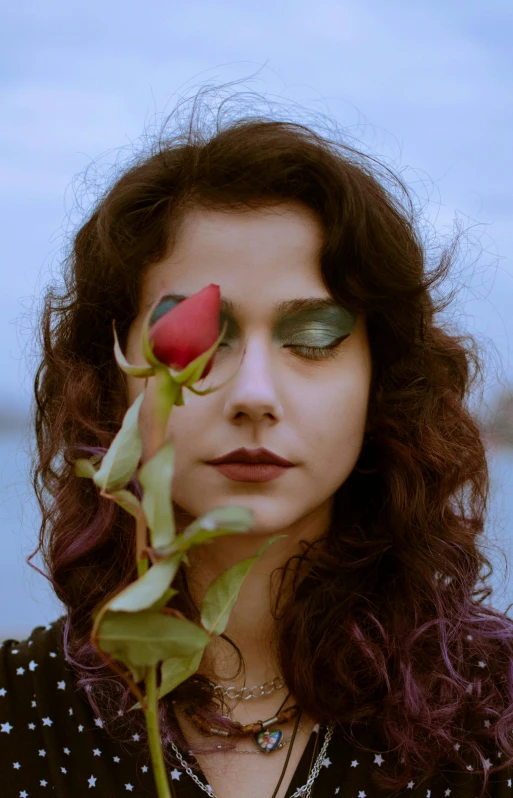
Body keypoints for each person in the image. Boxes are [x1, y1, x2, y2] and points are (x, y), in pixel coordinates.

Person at [1, 89, 513, 798]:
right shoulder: (19, 713)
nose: (254, 396)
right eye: (203, 341)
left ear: (380, 384)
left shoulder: (494, 710)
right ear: (114, 376)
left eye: (313, 339)